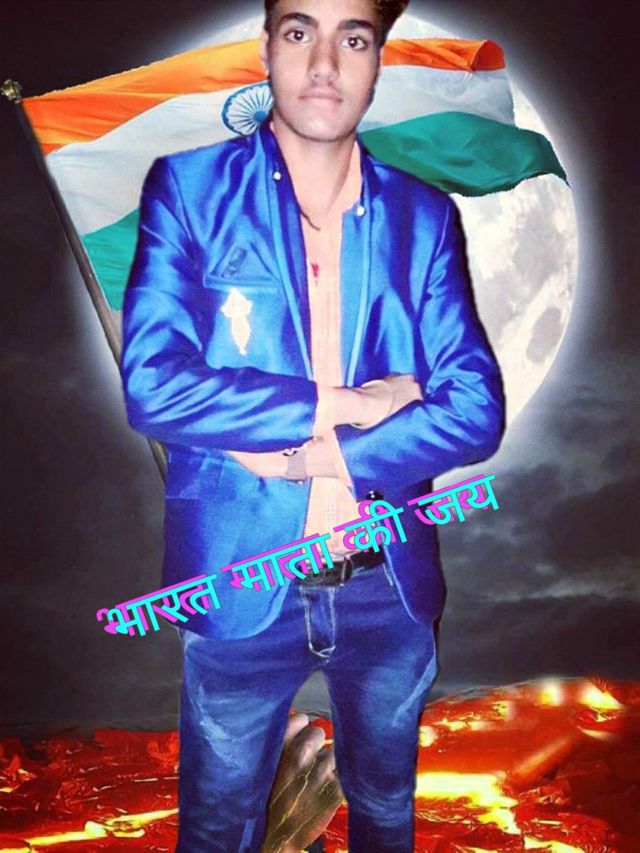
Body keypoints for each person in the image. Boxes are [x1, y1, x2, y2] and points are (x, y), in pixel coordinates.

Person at [121, 0, 505, 849]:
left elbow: (476, 410)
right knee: (217, 827)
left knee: (385, 813)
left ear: (376, 61)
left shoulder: (423, 218)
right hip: (238, 576)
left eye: (353, 37)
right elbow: (154, 386)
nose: (325, 61)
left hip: (387, 587)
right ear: (266, 47)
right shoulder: (188, 190)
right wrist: (350, 404)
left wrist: (306, 459)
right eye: (300, 31)